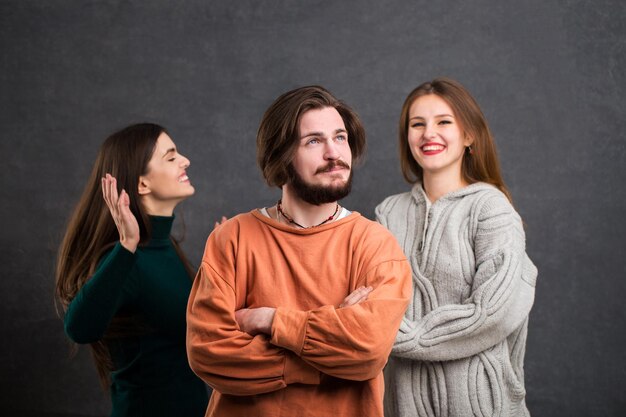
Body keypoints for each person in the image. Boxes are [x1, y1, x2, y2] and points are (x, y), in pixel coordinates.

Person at [186, 86, 412, 417]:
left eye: (340, 137)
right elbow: (209, 353)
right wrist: (329, 351)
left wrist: (269, 319)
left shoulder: (376, 245)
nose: (334, 153)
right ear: (281, 156)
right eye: (313, 141)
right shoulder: (231, 239)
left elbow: (368, 350)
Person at [376, 78, 538, 417]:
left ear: (469, 136)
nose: (428, 133)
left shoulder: (491, 209)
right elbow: (364, 300)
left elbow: (492, 315)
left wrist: (400, 337)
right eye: (417, 124)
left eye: (443, 122)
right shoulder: (387, 214)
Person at [55, 123, 209, 417]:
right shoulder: (128, 259)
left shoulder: (165, 248)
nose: (185, 160)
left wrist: (223, 265)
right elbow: (79, 328)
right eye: (171, 156)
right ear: (142, 185)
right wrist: (126, 245)